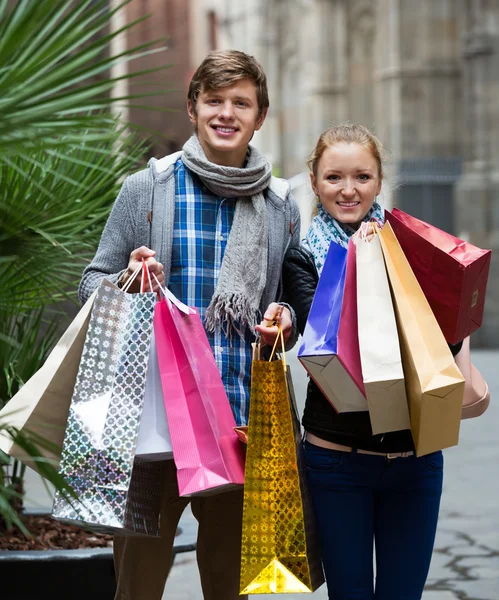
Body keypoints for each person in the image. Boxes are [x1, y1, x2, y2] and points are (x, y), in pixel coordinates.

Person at [78, 50, 301, 600]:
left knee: (233, 582)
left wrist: (285, 321)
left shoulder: (280, 207)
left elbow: (288, 303)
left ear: (260, 115)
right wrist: (127, 281)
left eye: (241, 103)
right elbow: (92, 283)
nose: (227, 113)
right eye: (215, 100)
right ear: (193, 107)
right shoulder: (146, 190)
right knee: (138, 581)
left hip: (240, 418)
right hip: (152, 421)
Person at [279, 123, 464, 600]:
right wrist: (363, 268)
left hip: (416, 458)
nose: (347, 190)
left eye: (361, 176)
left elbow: (447, 328)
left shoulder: (415, 248)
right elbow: (328, 345)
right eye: (333, 178)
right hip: (338, 462)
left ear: (380, 181)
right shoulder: (303, 258)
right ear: (315, 183)